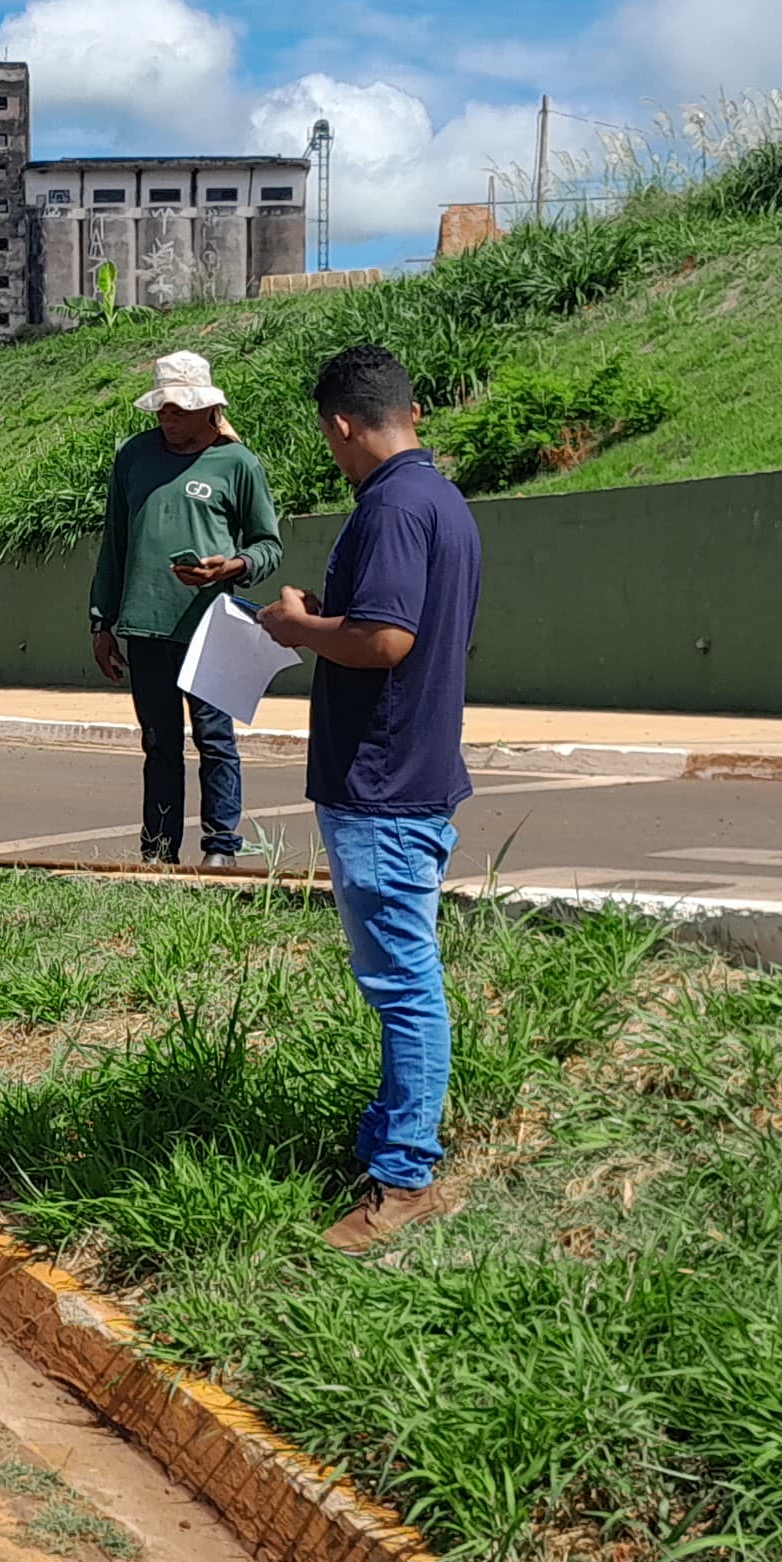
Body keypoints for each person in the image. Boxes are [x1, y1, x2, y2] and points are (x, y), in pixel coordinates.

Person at [254, 345, 481, 1253]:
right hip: (409, 770)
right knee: (400, 976)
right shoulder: (442, 501)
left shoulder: (389, 506)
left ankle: (404, 1180)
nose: (334, 451)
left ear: (343, 424)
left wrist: (295, 626)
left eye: (329, 437)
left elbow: (384, 640)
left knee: (403, 983)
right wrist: (324, 616)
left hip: (383, 781)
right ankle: (391, 1141)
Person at [87, 350, 283, 864]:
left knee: (215, 740)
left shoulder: (237, 464)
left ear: (206, 409)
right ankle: (158, 851)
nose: (166, 418)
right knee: (160, 744)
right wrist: (101, 622)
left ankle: (220, 848)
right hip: (144, 628)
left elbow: (269, 545)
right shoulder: (133, 457)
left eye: (177, 409)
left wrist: (232, 567)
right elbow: (115, 545)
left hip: (212, 626)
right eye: (161, 410)